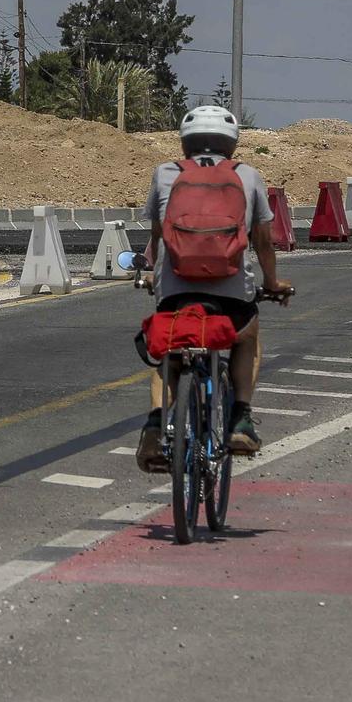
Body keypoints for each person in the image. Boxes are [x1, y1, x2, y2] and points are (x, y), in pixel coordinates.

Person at [134, 104, 292, 470]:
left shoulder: (164, 174)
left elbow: (157, 239)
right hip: (232, 295)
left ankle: (156, 426)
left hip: (175, 292)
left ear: (185, 142)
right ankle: (240, 419)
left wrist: (150, 276)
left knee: (169, 352)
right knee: (247, 336)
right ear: (232, 143)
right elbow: (263, 242)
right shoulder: (249, 176)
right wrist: (272, 283)